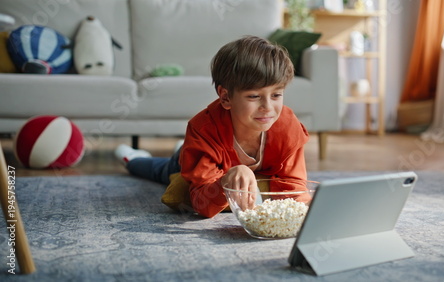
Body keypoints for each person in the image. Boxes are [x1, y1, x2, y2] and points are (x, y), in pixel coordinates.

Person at [115, 35, 309, 218]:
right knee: (163, 171)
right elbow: (203, 204)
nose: (268, 107)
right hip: (197, 153)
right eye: (254, 96)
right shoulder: (203, 130)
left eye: (276, 95)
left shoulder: (288, 129)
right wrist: (226, 181)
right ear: (225, 97)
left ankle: (182, 148)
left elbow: (295, 188)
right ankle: (132, 158)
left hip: (211, 157)